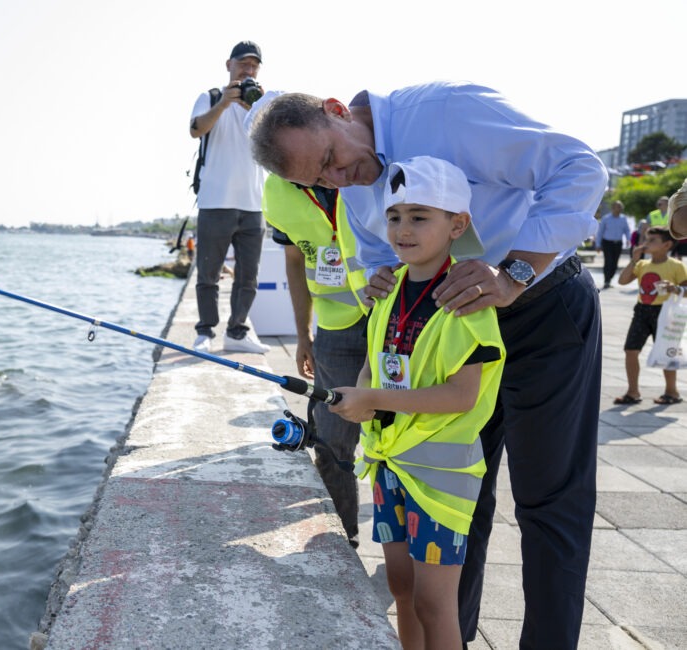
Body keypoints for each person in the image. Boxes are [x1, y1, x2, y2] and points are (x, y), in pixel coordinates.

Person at [249, 83, 606, 649]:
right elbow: (370, 255)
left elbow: (580, 170)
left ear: (338, 112)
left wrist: (513, 274)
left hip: (541, 310)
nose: (339, 182)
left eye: (330, 161)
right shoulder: (347, 184)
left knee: (550, 502)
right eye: (317, 182)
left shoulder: (445, 111)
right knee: (459, 502)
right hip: (445, 333)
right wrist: (378, 282)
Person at [328, 157, 504, 649]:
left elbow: (461, 395)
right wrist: (359, 396)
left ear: (457, 225)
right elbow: (373, 363)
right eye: (395, 216)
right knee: (400, 587)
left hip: (440, 480)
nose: (403, 229)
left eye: (420, 216)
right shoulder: (386, 291)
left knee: (434, 602)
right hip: (389, 466)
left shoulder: (467, 300)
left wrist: (374, 397)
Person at [261, 173, 370, 547]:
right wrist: (302, 333)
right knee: (330, 441)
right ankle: (344, 541)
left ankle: (409, 549)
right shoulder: (276, 190)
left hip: (401, 318)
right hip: (336, 329)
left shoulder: (360, 160)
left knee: (404, 440)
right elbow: (294, 259)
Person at [188, 41, 269, 354]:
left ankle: (237, 332)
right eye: (242, 64)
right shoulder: (209, 98)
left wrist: (258, 107)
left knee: (248, 277)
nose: (247, 70)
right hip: (215, 201)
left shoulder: (260, 103)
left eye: (253, 66)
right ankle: (205, 332)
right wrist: (224, 103)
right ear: (229, 65)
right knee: (208, 274)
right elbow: (196, 130)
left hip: (253, 204)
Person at [614, 227, 687, 405]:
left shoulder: (676, 266)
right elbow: (622, 280)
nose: (646, 244)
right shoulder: (642, 265)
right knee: (631, 350)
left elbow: (686, 290)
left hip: (665, 312)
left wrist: (675, 288)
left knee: (665, 352)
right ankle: (633, 392)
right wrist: (634, 259)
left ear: (667, 244)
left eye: (652, 240)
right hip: (642, 310)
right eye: (646, 239)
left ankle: (672, 392)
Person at [594, 200, 632, 289]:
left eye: (620, 207)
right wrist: (598, 245)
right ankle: (606, 280)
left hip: (618, 243)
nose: (618, 208)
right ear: (612, 208)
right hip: (607, 243)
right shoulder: (606, 218)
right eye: (616, 206)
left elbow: (626, 230)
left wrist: (628, 239)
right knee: (608, 261)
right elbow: (600, 232)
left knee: (615, 263)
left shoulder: (623, 219)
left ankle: (609, 279)